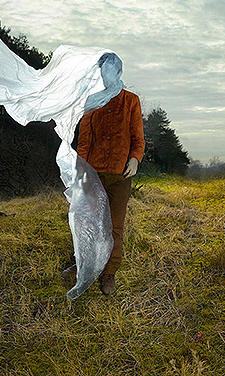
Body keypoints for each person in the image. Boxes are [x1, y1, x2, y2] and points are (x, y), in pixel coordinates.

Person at [63, 52, 145, 295]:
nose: (106, 76)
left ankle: (108, 273)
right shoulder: (92, 102)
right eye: (102, 71)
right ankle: (82, 265)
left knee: (114, 227)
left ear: (119, 72)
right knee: (87, 223)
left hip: (121, 176)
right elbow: (85, 141)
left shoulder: (131, 100)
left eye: (111, 71)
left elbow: (137, 138)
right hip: (93, 175)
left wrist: (135, 158)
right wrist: (80, 171)